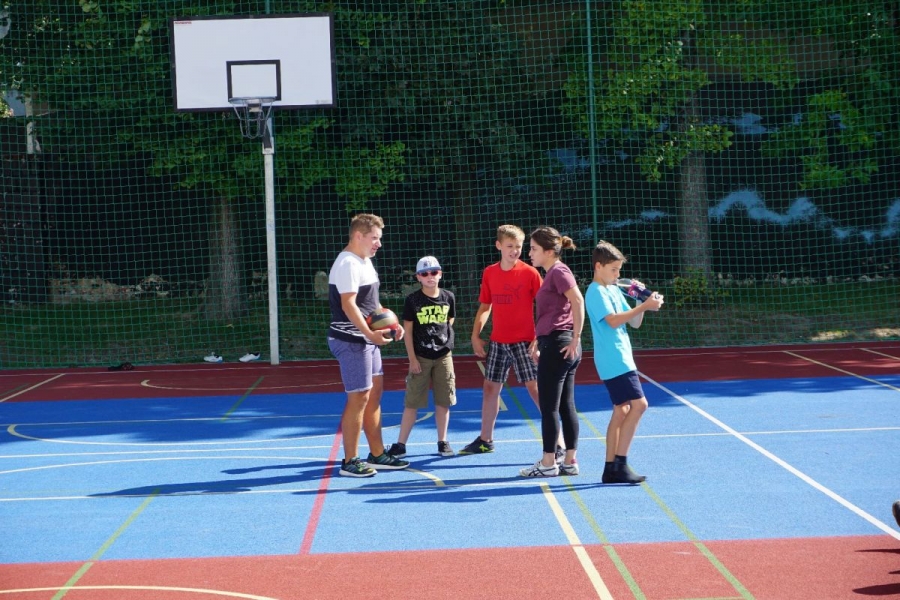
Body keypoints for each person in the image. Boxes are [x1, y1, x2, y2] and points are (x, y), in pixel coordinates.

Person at [327, 213, 410, 477]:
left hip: (365, 339)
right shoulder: (348, 263)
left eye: (379, 238)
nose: (379, 244)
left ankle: (377, 454)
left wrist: (390, 324)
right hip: (351, 340)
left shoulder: (364, 261)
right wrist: (369, 334)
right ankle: (350, 461)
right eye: (374, 238)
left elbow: (371, 304)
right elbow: (348, 304)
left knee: (374, 394)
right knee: (359, 397)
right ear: (358, 236)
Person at [585, 240, 664, 484]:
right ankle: (620, 463)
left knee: (622, 409)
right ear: (598, 267)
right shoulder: (595, 291)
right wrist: (646, 305)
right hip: (614, 359)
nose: (617, 275)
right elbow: (612, 321)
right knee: (640, 405)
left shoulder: (613, 289)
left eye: (619, 270)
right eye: (613, 270)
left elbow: (634, 322)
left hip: (621, 357)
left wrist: (642, 301)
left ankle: (610, 468)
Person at [460, 224, 543, 455]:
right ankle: (485, 439)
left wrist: (538, 337)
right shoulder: (490, 273)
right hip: (498, 342)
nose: (514, 250)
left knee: (535, 389)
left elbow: (546, 306)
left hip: (525, 341)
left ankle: (556, 442)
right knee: (490, 388)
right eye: (510, 246)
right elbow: (485, 306)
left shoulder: (530, 273)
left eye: (518, 246)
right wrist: (475, 335)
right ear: (498, 246)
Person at [518, 227, 585, 477]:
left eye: (534, 249)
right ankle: (570, 461)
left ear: (548, 251)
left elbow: (577, 300)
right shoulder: (552, 274)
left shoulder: (559, 271)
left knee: (549, 407)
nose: (530, 253)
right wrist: (539, 338)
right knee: (565, 405)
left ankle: (548, 463)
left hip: (560, 345)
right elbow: (554, 312)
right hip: (558, 343)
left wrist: (576, 337)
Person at [387, 256, 457, 458]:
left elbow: (450, 319)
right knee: (412, 402)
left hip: (444, 356)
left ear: (440, 274)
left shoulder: (448, 297)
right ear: (418, 277)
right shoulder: (413, 300)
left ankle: (443, 441)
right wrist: (412, 359)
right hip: (421, 357)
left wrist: (443, 339)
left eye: (433, 272)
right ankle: (401, 444)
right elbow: (408, 331)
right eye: (424, 274)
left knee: (443, 401)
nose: (430, 276)